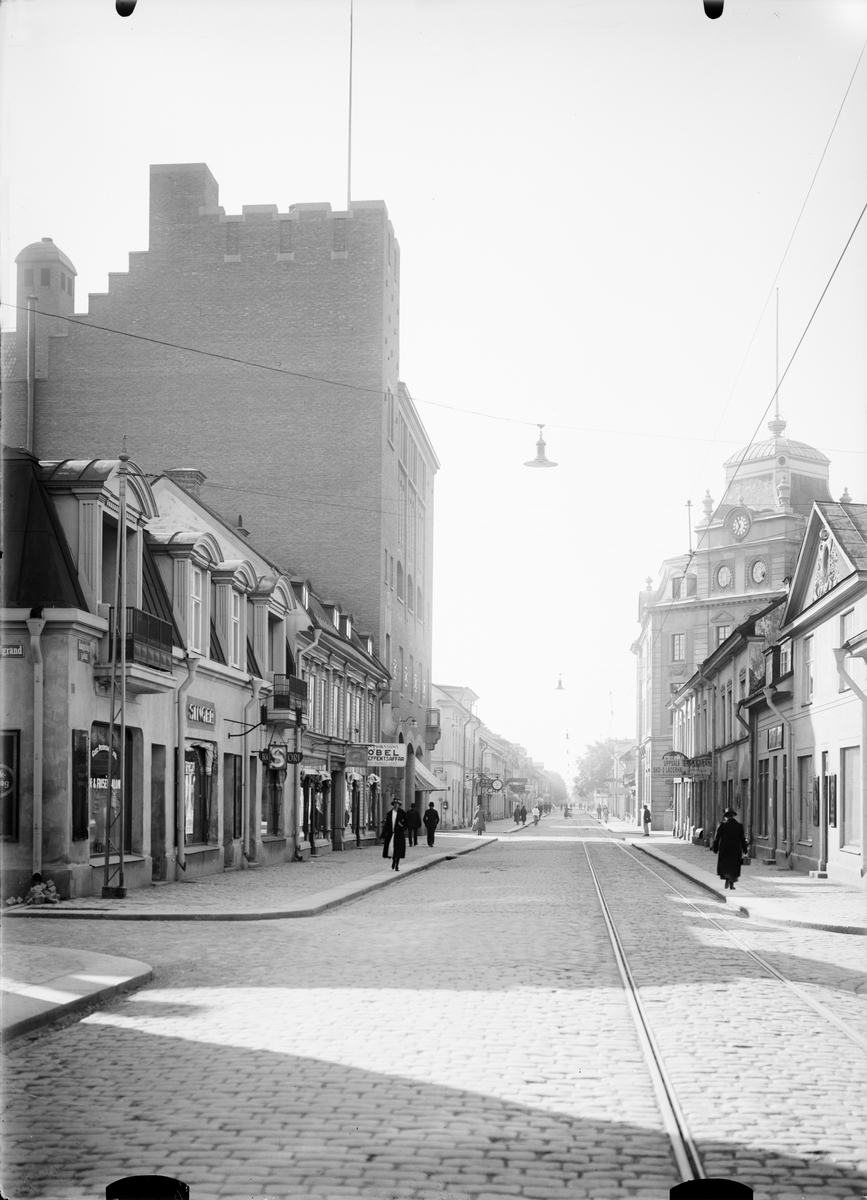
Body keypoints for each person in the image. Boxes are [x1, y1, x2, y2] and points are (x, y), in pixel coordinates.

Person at [712, 807, 748, 890]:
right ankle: (732, 884)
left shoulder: (723, 824)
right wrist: (745, 849)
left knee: (725, 865)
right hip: (736, 848)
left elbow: (717, 837)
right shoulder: (739, 825)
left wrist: (715, 848)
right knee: (734, 866)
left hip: (725, 848)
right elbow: (742, 838)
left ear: (726, 816)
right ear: (733, 816)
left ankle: (727, 878)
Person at [381, 799, 407, 871]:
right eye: (395, 804)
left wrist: (402, 825)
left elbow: (406, 822)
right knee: (391, 849)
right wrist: (383, 835)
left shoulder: (402, 813)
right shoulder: (389, 814)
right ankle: (393, 860)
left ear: (399, 805)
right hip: (391, 834)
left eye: (397, 804)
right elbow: (386, 825)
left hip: (399, 834)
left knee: (398, 850)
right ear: (393, 804)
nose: (396, 805)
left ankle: (397, 865)